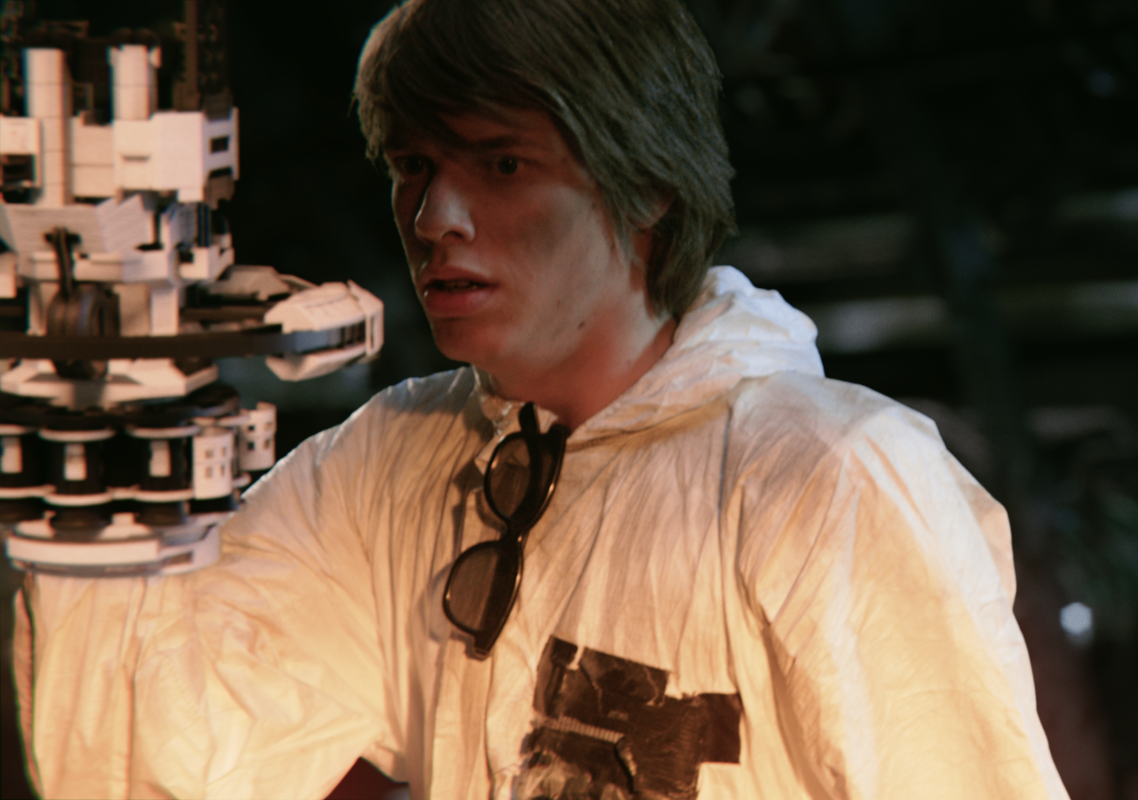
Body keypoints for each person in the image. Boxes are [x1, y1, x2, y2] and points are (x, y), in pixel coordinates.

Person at [13, 1, 1069, 798]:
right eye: (412, 164)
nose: (434, 215)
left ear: (647, 186)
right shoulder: (391, 465)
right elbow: (147, 755)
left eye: (504, 162)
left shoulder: (829, 475)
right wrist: (99, 400)